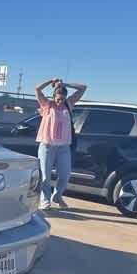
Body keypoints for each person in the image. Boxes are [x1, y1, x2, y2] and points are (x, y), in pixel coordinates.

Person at [35, 78, 86, 210]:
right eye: (58, 99)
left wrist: (66, 84)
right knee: (45, 177)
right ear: (54, 96)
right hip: (47, 146)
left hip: (64, 147)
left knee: (64, 175)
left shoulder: (68, 104)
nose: (60, 101)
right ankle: (45, 200)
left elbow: (83, 88)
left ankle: (57, 197)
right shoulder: (47, 105)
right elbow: (37, 89)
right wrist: (51, 81)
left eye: (62, 98)